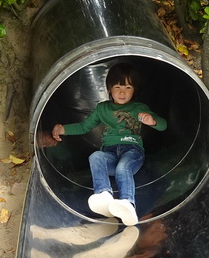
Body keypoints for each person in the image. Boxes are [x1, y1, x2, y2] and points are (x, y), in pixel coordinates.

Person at [51, 63, 167, 226]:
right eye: (118, 86)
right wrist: (63, 129)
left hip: (132, 151)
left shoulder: (139, 108)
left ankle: (127, 203)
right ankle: (104, 195)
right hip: (110, 152)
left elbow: (163, 125)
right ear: (109, 88)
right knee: (96, 157)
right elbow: (84, 127)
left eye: (128, 87)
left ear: (135, 90)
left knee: (123, 167)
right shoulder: (102, 108)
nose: (122, 92)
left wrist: (152, 120)